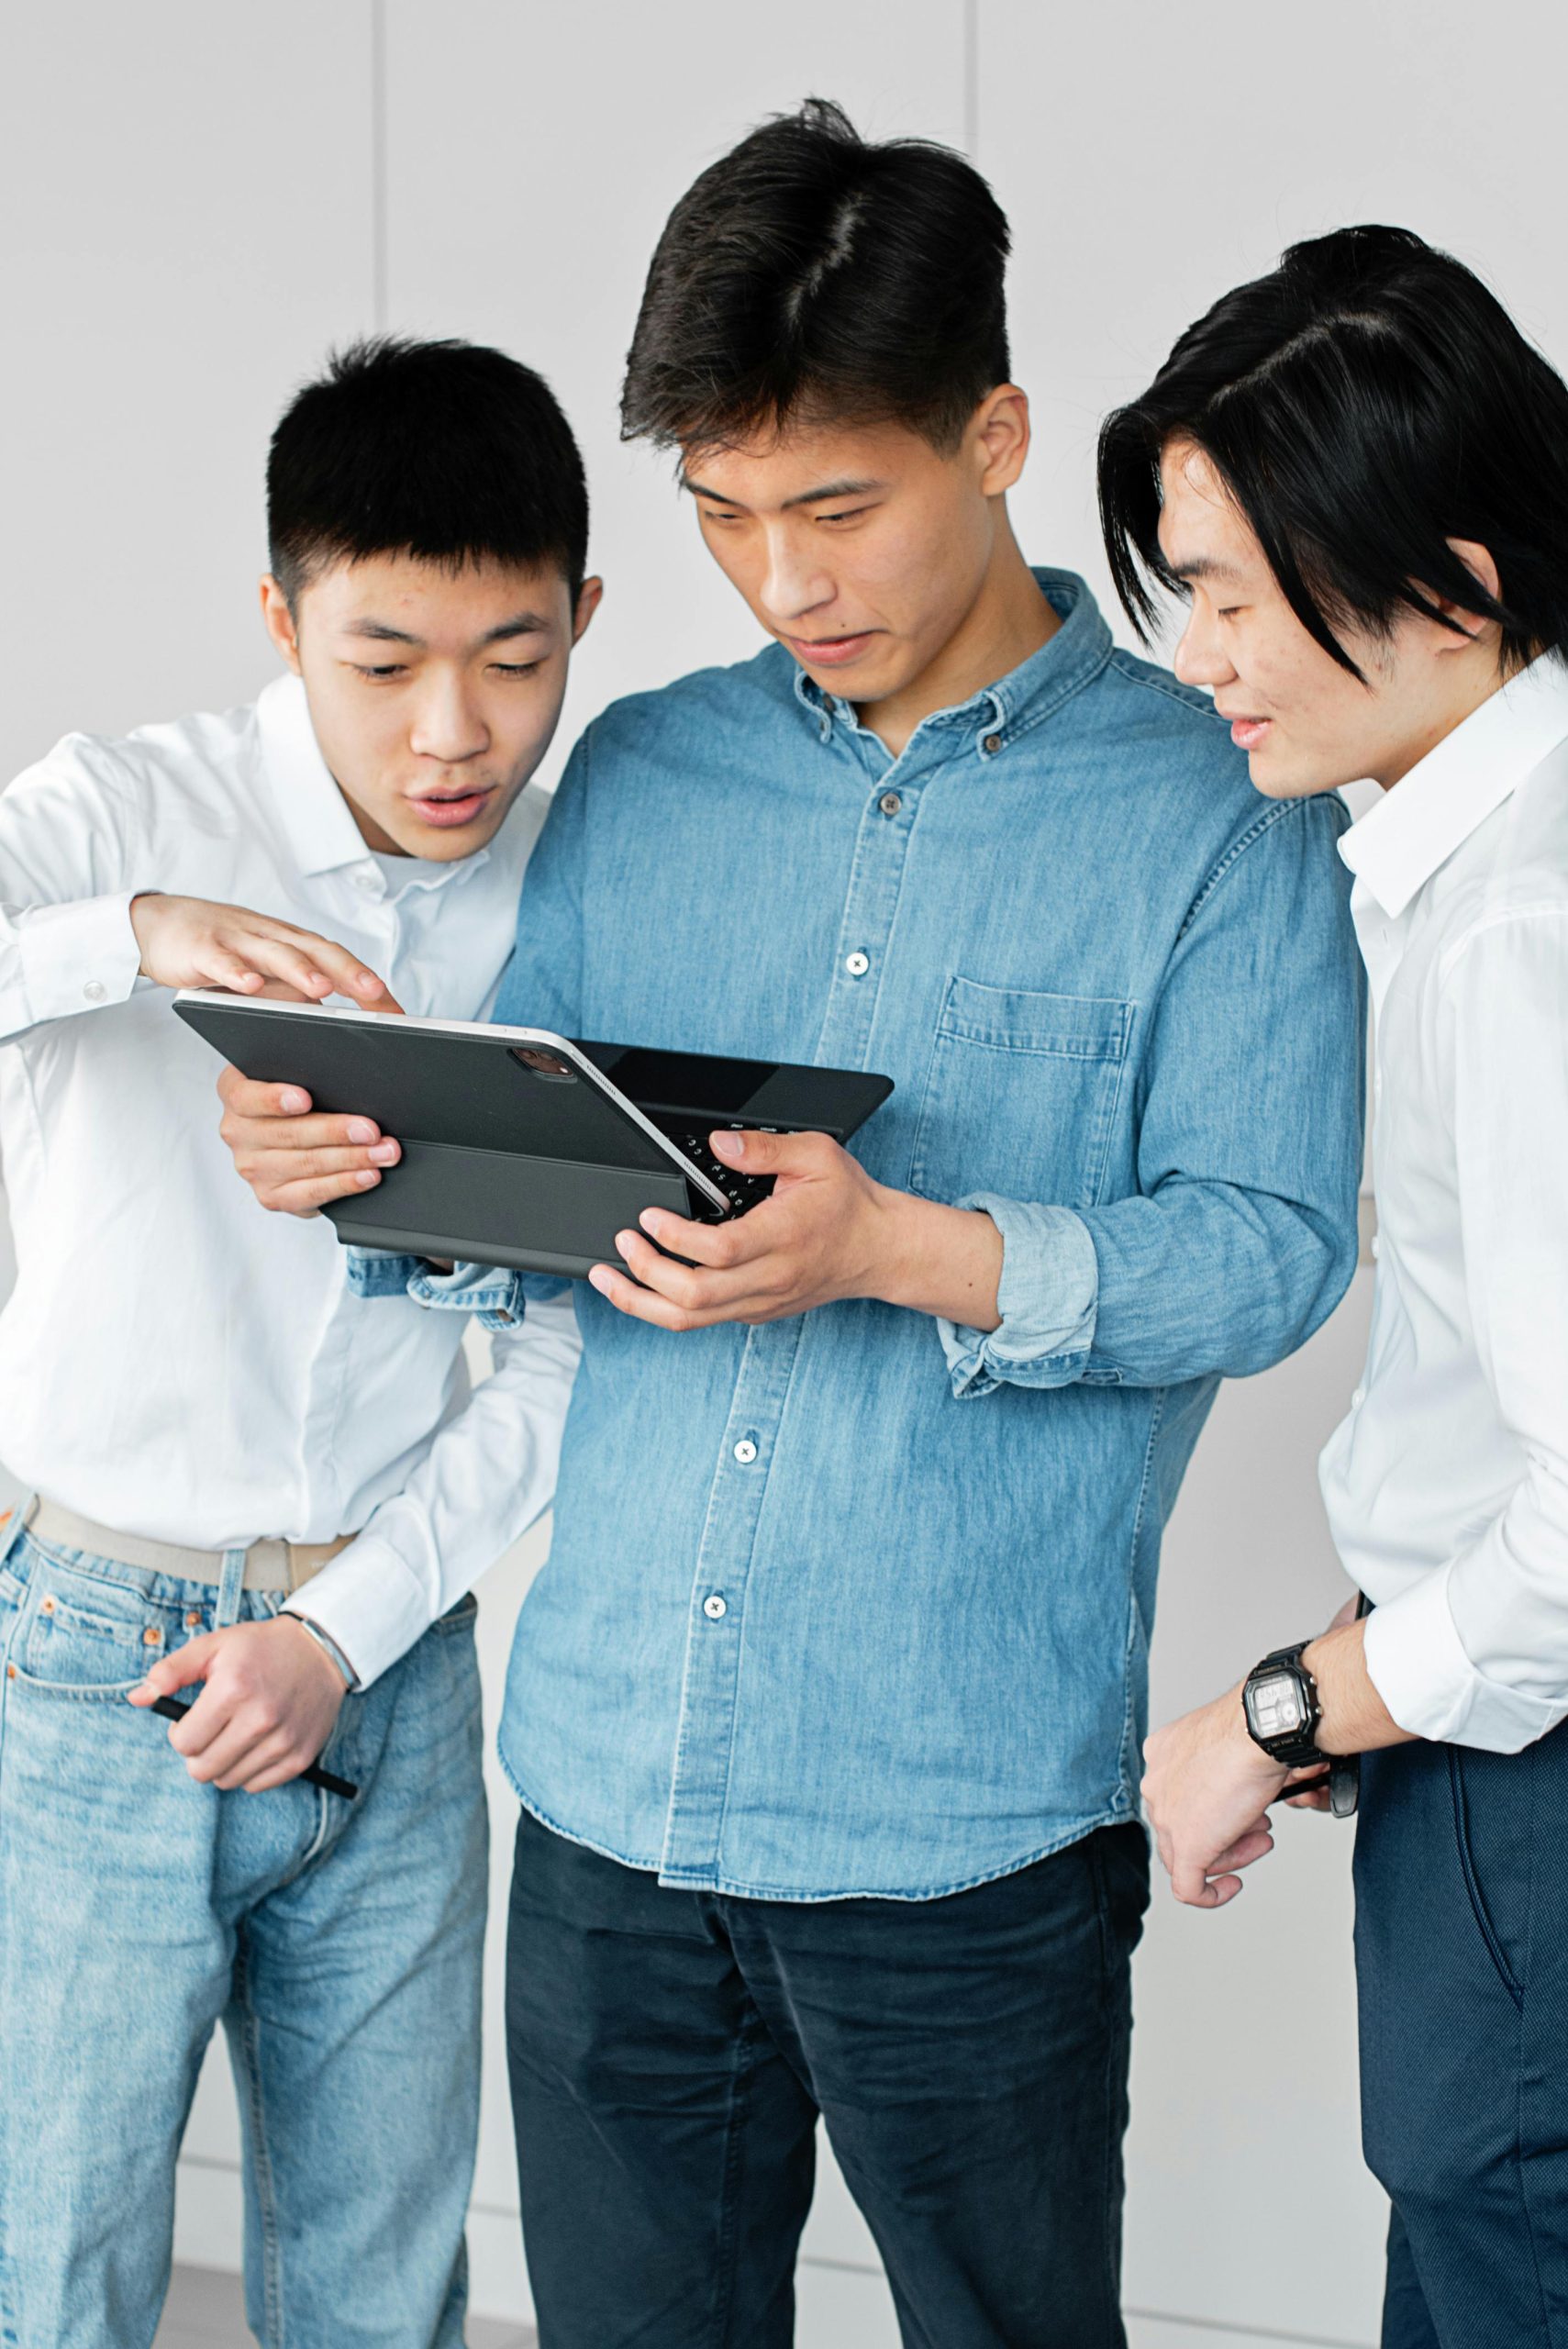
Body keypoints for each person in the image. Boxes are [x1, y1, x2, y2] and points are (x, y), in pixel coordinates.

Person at [219, 104, 1362, 2349]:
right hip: (614, 1798)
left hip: (967, 1827)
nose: (785, 580)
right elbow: (530, 1161)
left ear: (998, 432)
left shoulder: (1213, 802)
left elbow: (1273, 1244)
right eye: (725, 518)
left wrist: (901, 1247)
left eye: (836, 505)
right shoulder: (649, 768)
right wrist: (374, 1171)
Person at [0, 335, 594, 2349]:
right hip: (84, 1653)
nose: (455, 729)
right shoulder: (120, 811)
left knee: (380, 2289)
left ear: (588, 615)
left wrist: (345, 1630)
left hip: (391, 1659)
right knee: (50, 2277)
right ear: (282, 616)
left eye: (516, 657)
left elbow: (571, 1348)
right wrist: (143, 939)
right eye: (384, 656)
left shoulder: (576, 897)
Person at [1111, 227, 1568, 2349]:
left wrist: (1280, 1706)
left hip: (1528, 1790)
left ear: (1455, 575)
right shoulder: (1472, 867)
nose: (1196, 654)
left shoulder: (1514, 935)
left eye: (1227, 592)